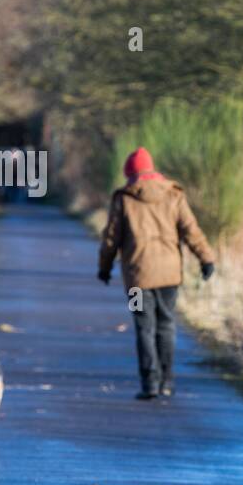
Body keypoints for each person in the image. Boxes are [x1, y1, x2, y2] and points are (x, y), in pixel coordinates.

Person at [98, 147, 215, 399]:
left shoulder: (124, 198)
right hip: (169, 275)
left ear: (130, 172)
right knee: (166, 324)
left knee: (144, 327)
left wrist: (104, 267)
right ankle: (167, 380)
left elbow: (111, 238)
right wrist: (206, 259)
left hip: (138, 278)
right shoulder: (174, 195)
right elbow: (191, 230)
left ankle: (149, 383)